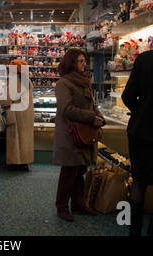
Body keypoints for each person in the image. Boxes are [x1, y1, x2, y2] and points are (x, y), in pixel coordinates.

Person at [53, 48, 104, 221]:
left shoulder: (84, 81)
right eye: (80, 61)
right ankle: (61, 206)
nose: (84, 64)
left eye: (84, 61)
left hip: (84, 133)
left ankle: (78, 204)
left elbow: (91, 104)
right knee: (69, 170)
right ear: (71, 63)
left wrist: (99, 117)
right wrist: (92, 117)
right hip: (70, 133)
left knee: (79, 169)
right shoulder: (64, 83)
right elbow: (67, 110)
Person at [121, 41, 153, 236]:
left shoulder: (145, 58)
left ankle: (134, 231)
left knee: (138, 181)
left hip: (140, 130)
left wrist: (141, 112)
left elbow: (128, 95)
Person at [0, 58, 34, 171]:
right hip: (25, 115)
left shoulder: (17, 82)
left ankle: (17, 163)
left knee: (17, 139)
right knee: (24, 139)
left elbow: (6, 100)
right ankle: (24, 162)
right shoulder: (27, 80)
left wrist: (0, 96)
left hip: (17, 116)